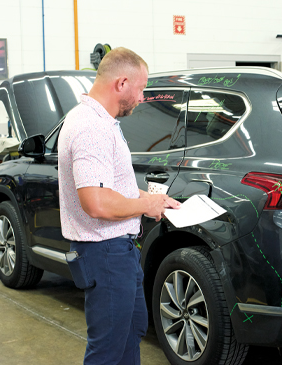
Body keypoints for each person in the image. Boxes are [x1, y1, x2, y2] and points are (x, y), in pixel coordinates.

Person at [58, 47, 181, 364]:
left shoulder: (102, 122)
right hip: (105, 253)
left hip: (118, 251)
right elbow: (96, 202)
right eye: (140, 89)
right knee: (108, 348)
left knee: (130, 333)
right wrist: (144, 206)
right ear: (122, 83)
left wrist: (149, 198)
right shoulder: (91, 128)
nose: (141, 98)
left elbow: (110, 187)